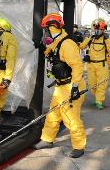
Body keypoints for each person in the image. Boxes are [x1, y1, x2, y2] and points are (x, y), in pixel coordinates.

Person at [33, 13, 86, 158]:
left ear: (53, 28)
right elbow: (51, 52)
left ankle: (79, 146)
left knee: (71, 118)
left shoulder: (67, 44)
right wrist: (42, 47)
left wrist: (75, 87)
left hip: (71, 86)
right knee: (53, 114)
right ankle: (47, 139)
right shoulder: (57, 41)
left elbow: (77, 66)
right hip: (61, 86)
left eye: (46, 29)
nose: (45, 32)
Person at [79, 21, 110, 109]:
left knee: (101, 84)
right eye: (96, 29)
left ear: (103, 30)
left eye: (100, 29)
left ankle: (99, 101)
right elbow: (82, 46)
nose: (98, 31)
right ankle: (97, 97)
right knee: (92, 84)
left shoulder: (107, 39)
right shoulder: (91, 39)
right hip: (91, 65)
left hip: (102, 65)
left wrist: (107, 39)